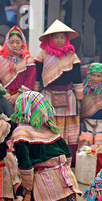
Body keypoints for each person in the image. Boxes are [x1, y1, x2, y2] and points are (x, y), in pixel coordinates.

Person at [35, 20, 83, 162]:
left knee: (70, 128)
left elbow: (77, 78)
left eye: (62, 37)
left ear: (66, 38)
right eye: (56, 37)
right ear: (50, 38)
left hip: (69, 95)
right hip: (48, 95)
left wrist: (79, 99)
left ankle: (69, 159)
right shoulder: (42, 55)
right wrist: (36, 95)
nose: (59, 40)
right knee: (49, 124)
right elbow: (38, 77)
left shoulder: (72, 56)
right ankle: (51, 157)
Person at [0, 26, 36, 109]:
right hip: (3, 97)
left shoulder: (28, 59)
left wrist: (18, 94)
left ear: (22, 42)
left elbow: (30, 79)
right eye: (11, 42)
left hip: (23, 97)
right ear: (7, 42)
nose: (14, 45)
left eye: (18, 42)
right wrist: (4, 93)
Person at [78, 63, 102, 149]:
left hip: (101, 125)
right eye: (93, 75)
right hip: (86, 124)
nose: (95, 79)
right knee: (85, 142)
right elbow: (79, 110)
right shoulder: (82, 91)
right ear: (89, 76)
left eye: (98, 76)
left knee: (100, 142)